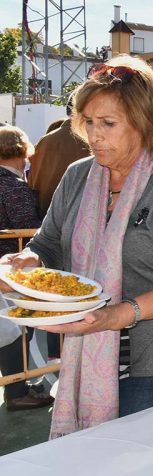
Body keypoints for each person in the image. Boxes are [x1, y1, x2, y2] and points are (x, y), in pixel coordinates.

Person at [0, 55, 153, 436]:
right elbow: (47, 242)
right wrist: (28, 262)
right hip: (88, 351)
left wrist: (115, 315)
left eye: (108, 124)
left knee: (135, 467)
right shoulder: (79, 175)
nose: (94, 136)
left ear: (143, 123)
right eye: (90, 123)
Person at [0, 126, 54, 411]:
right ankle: (17, 390)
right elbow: (28, 228)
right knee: (16, 330)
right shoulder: (14, 186)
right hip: (12, 269)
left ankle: (16, 384)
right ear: (22, 150)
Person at [28, 96, 90, 217]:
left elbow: (33, 181)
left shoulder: (46, 140)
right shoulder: (91, 138)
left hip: (46, 216)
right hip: (81, 219)